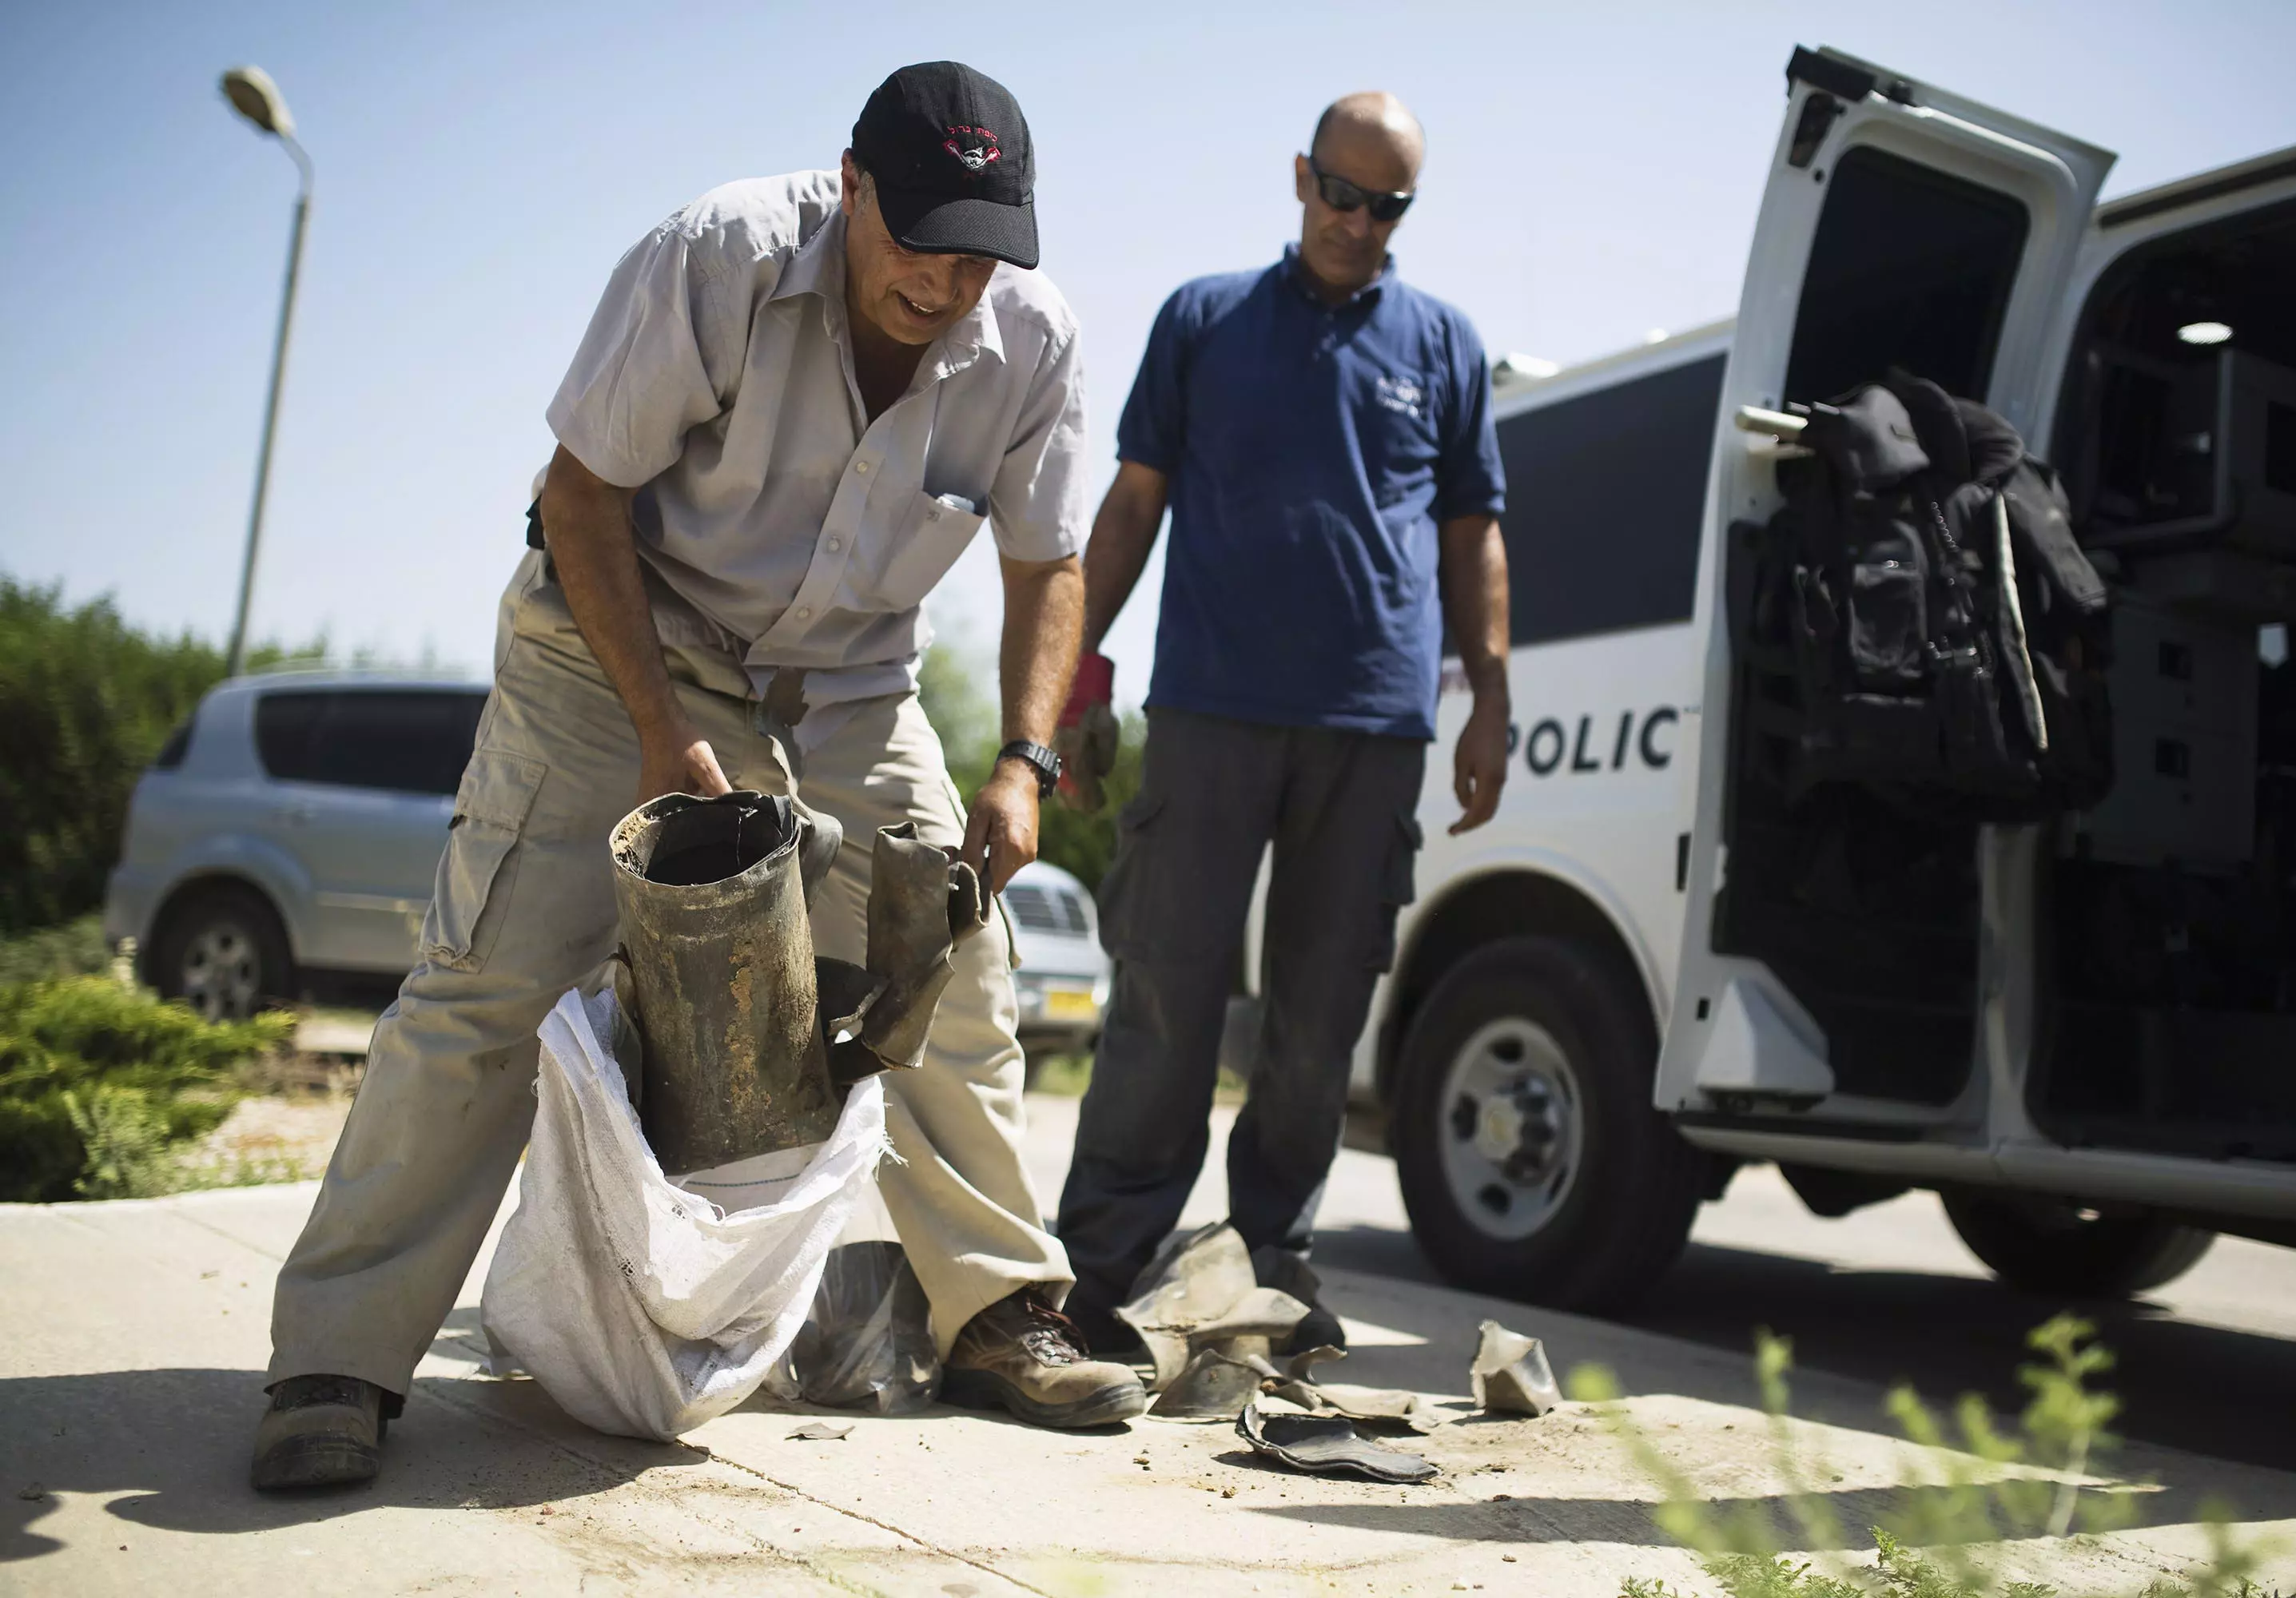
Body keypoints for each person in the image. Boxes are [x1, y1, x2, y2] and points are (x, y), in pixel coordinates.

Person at [252, 61, 1145, 1493]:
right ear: (849, 186)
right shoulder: (714, 255)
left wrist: (1026, 761)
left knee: (950, 960)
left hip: (849, 682)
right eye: (919, 238)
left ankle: (999, 1315)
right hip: (618, 637)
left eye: (981, 250)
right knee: (494, 972)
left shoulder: (1032, 343)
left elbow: (1047, 568)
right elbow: (579, 495)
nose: (946, 280)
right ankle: (336, 1357)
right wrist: (665, 740)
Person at [1055, 91, 1511, 1351]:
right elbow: (1132, 506)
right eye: (1343, 194)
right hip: (1210, 712)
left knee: (1320, 1013)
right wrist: (1073, 679)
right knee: (1167, 991)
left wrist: (1492, 702)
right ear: (1301, 176)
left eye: (1388, 206)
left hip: (1373, 727)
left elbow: (1474, 534)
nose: (1360, 223)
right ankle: (1103, 1273)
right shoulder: (1205, 320)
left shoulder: (1445, 346)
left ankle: (1273, 1265)